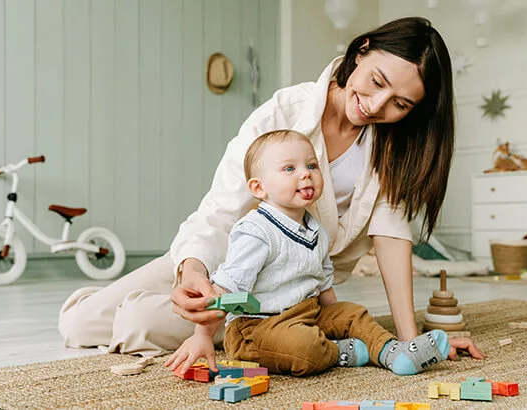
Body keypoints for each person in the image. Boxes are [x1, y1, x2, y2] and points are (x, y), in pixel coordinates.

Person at [58, 16, 485, 362]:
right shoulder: (286, 111)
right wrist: (191, 272)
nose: (376, 105)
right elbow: (220, 210)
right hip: (225, 256)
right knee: (78, 324)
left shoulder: (393, 148)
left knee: (137, 323)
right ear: (362, 50)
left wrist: (410, 341)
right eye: (376, 81)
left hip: (285, 292)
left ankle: (260, 329)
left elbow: (391, 237)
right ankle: (149, 298)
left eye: (400, 104)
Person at [164, 129, 451, 377]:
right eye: (290, 169)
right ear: (258, 187)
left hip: (307, 313)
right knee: (305, 347)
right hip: (257, 328)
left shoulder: (317, 230)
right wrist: (202, 335)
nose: (305, 174)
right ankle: (337, 352)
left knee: (354, 313)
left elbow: (323, 282)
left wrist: (338, 321)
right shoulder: (256, 231)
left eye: (312, 166)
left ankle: (394, 353)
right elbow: (226, 289)